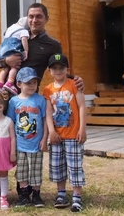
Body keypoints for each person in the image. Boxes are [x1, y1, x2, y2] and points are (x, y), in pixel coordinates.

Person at [0, 2, 85, 203]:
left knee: (24, 142)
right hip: (6, 97)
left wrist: (77, 80)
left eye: (38, 16)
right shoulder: (17, 35)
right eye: (31, 16)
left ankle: (26, 190)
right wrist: (6, 62)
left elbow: (58, 67)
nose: (34, 20)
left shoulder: (52, 44)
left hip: (29, 101)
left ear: (46, 19)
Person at [43, 53, 87, 213]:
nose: (58, 70)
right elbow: (48, 112)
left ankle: (76, 197)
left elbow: (81, 106)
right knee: (57, 165)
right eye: (54, 68)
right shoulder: (48, 89)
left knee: (75, 166)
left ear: (67, 69)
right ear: (49, 71)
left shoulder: (74, 85)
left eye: (61, 67)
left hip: (73, 134)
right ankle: (61, 194)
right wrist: (51, 131)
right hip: (57, 136)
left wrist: (82, 128)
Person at [7, 67, 48, 208]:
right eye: (28, 83)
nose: (32, 86)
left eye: (34, 82)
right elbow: (11, 122)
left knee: (36, 171)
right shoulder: (13, 101)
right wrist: (11, 144)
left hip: (36, 144)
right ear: (19, 84)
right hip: (20, 144)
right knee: (22, 171)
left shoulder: (40, 100)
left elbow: (45, 120)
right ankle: (23, 196)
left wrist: (44, 139)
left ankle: (36, 195)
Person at [0, 16, 29, 95]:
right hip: (13, 47)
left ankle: (0, 82)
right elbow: (24, 39)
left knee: (6, 68)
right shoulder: (23, 30)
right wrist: (26, 50)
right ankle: (10, 83)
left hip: (3, 48)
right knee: (14, 66)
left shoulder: (10, 28)